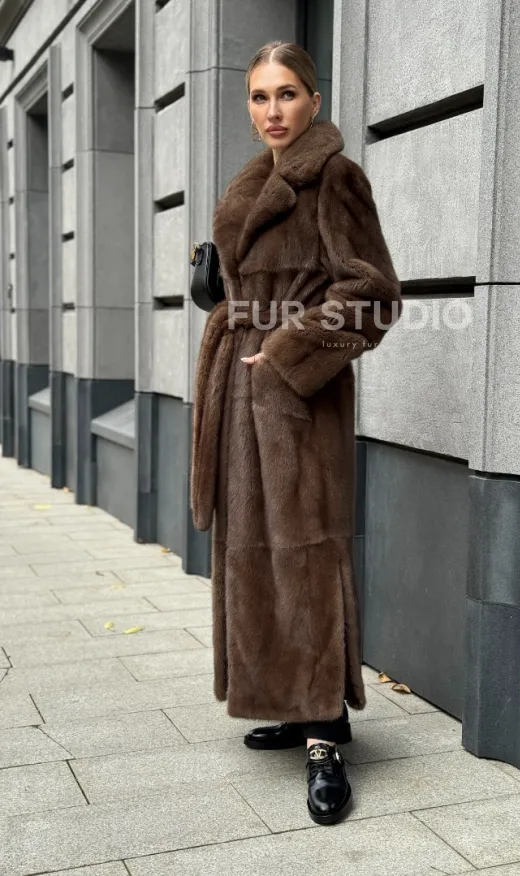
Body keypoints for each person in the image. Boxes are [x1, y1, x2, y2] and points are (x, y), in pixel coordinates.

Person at [190, 40, 402, 825]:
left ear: (314, 98)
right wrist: (221, 293)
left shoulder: (335, 177)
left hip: (296, 399)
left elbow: (373, 292)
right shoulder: (249, 183)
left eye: (286, 94)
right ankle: (289, 700)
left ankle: (323, 738)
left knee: (305, 558)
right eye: (259, 96)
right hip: (241, 396)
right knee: (252, 554)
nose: (272, 110)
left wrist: (287, 350)